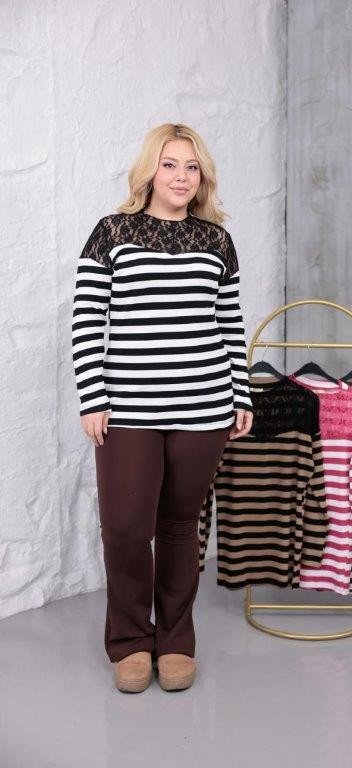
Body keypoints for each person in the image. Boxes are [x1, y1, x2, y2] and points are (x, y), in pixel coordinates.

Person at [71, 123, 254, 693]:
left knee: (179, 526)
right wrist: (92, 397)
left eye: (191, 167)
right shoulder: (112, 233)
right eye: (170, 164)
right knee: (126, 528)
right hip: (128, 407)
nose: (181, 177)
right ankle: (130, 641)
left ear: (202, 177)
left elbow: (229, 322)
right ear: (150, 170)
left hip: (205, 406)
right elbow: (87, 318)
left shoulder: (217, 241)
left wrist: (241, 393)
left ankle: (175, 640)